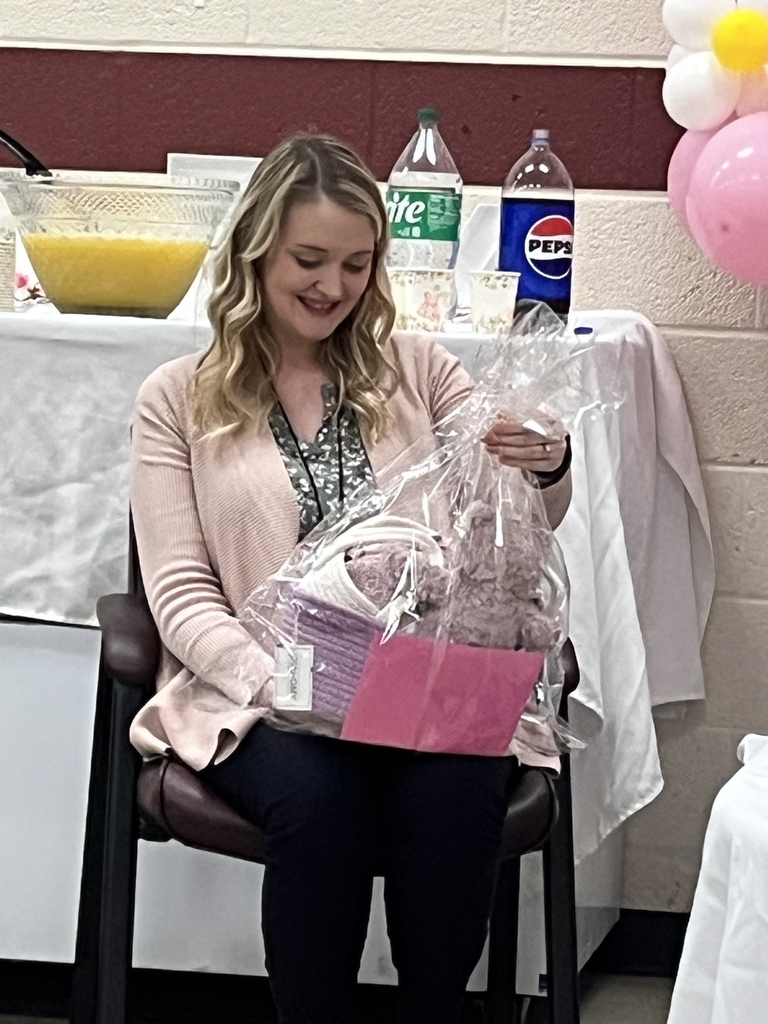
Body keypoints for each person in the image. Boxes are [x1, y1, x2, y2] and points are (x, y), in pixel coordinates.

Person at [129, 134, 572, 1024]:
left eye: (358, 265)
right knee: (317, 805)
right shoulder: (177, 397)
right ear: (255, 249)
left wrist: (546, 462)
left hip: (422, 689)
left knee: (456, 794)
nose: (333, 286)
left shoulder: (419, 371)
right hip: (261, 692)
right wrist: (289, 684)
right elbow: (179, 592)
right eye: (310, 259)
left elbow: (515, 525)